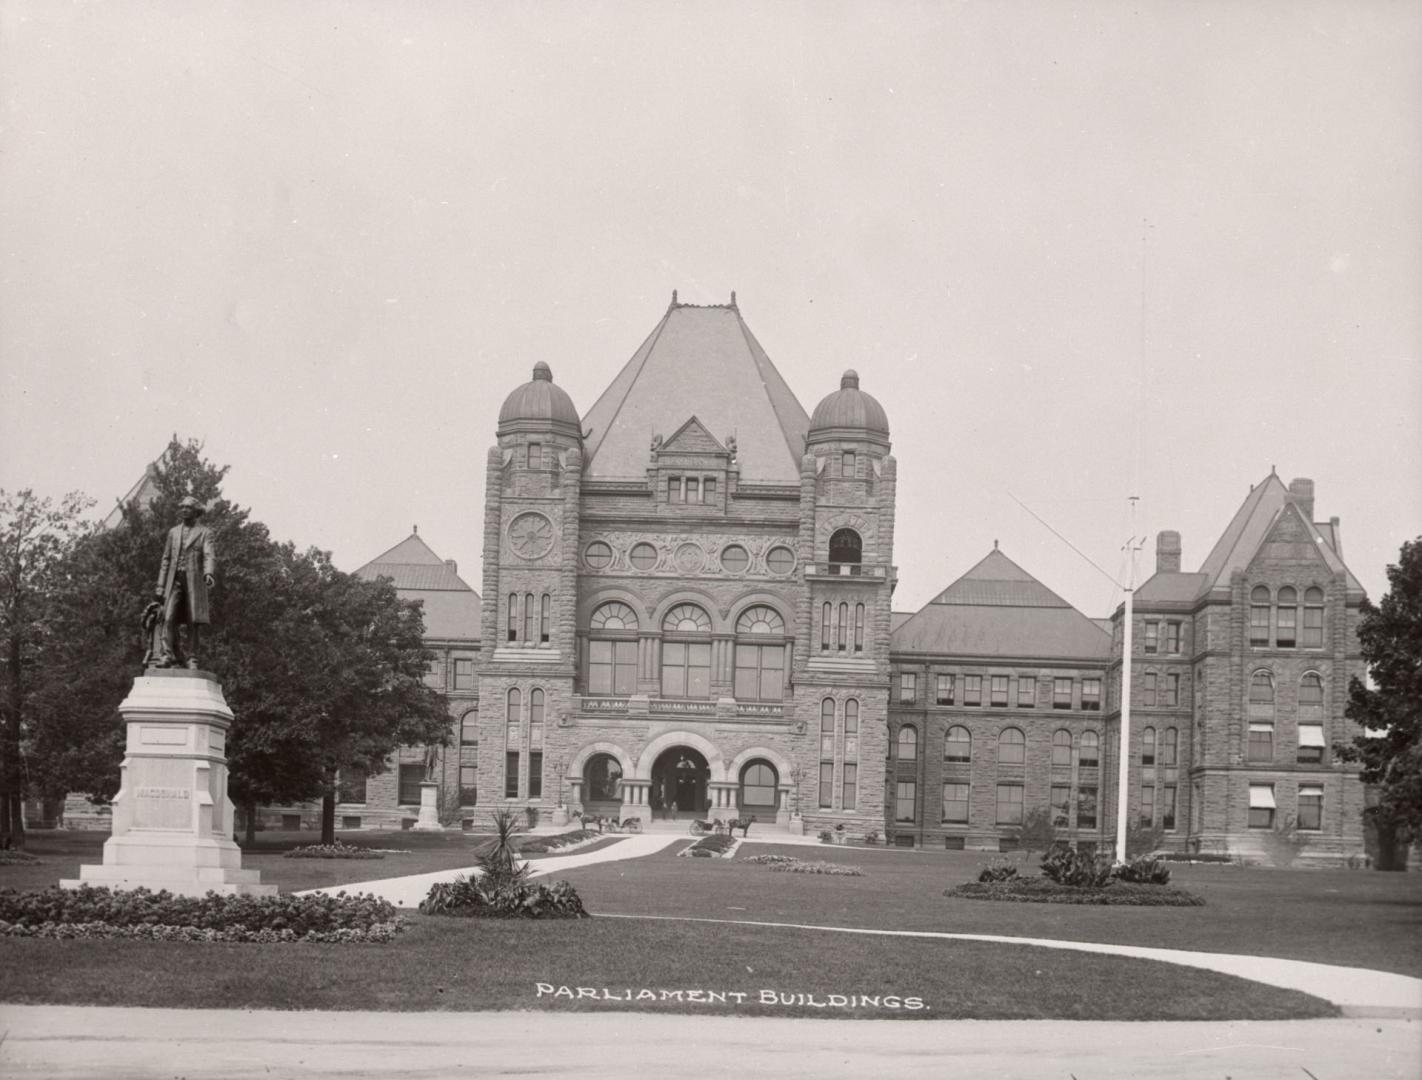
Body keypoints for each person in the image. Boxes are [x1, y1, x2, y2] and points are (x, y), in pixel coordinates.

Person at [154, 495, 216, 669]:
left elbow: (209, 555)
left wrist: (209, 573)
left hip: (194, 582)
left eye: (188, 508)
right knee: (167, 617)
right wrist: (160, 585)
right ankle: (167, 655)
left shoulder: (205, 532)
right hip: (174, 581)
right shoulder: (173, 532)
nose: (184, 510)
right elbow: (165, 560)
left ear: (196, 511)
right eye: (182, 507)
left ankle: (192, 657)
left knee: (193, 621)